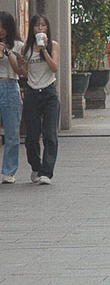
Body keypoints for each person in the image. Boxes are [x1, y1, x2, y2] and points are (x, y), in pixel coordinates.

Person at [20, 14, 60, 186]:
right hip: (32, 93)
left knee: (50, 134)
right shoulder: (26, 48)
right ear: (32, 29)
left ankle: (46, 172)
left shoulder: (53, 45)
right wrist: (22, 63)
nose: (40, 28)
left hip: (49, 92)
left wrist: (44, 50)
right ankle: (36, 167)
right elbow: (24, 72)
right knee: (32, 136)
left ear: (47, 28)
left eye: (43, 25)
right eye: (37, 25)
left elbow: (54, 67)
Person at [0, 12, 25, 183]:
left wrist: (7, 53)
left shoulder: (18, 45)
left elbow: (20, 71)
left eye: (3, 26)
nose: (1, 30)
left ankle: (8, 171)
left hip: (10, 85)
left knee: (11, 133)